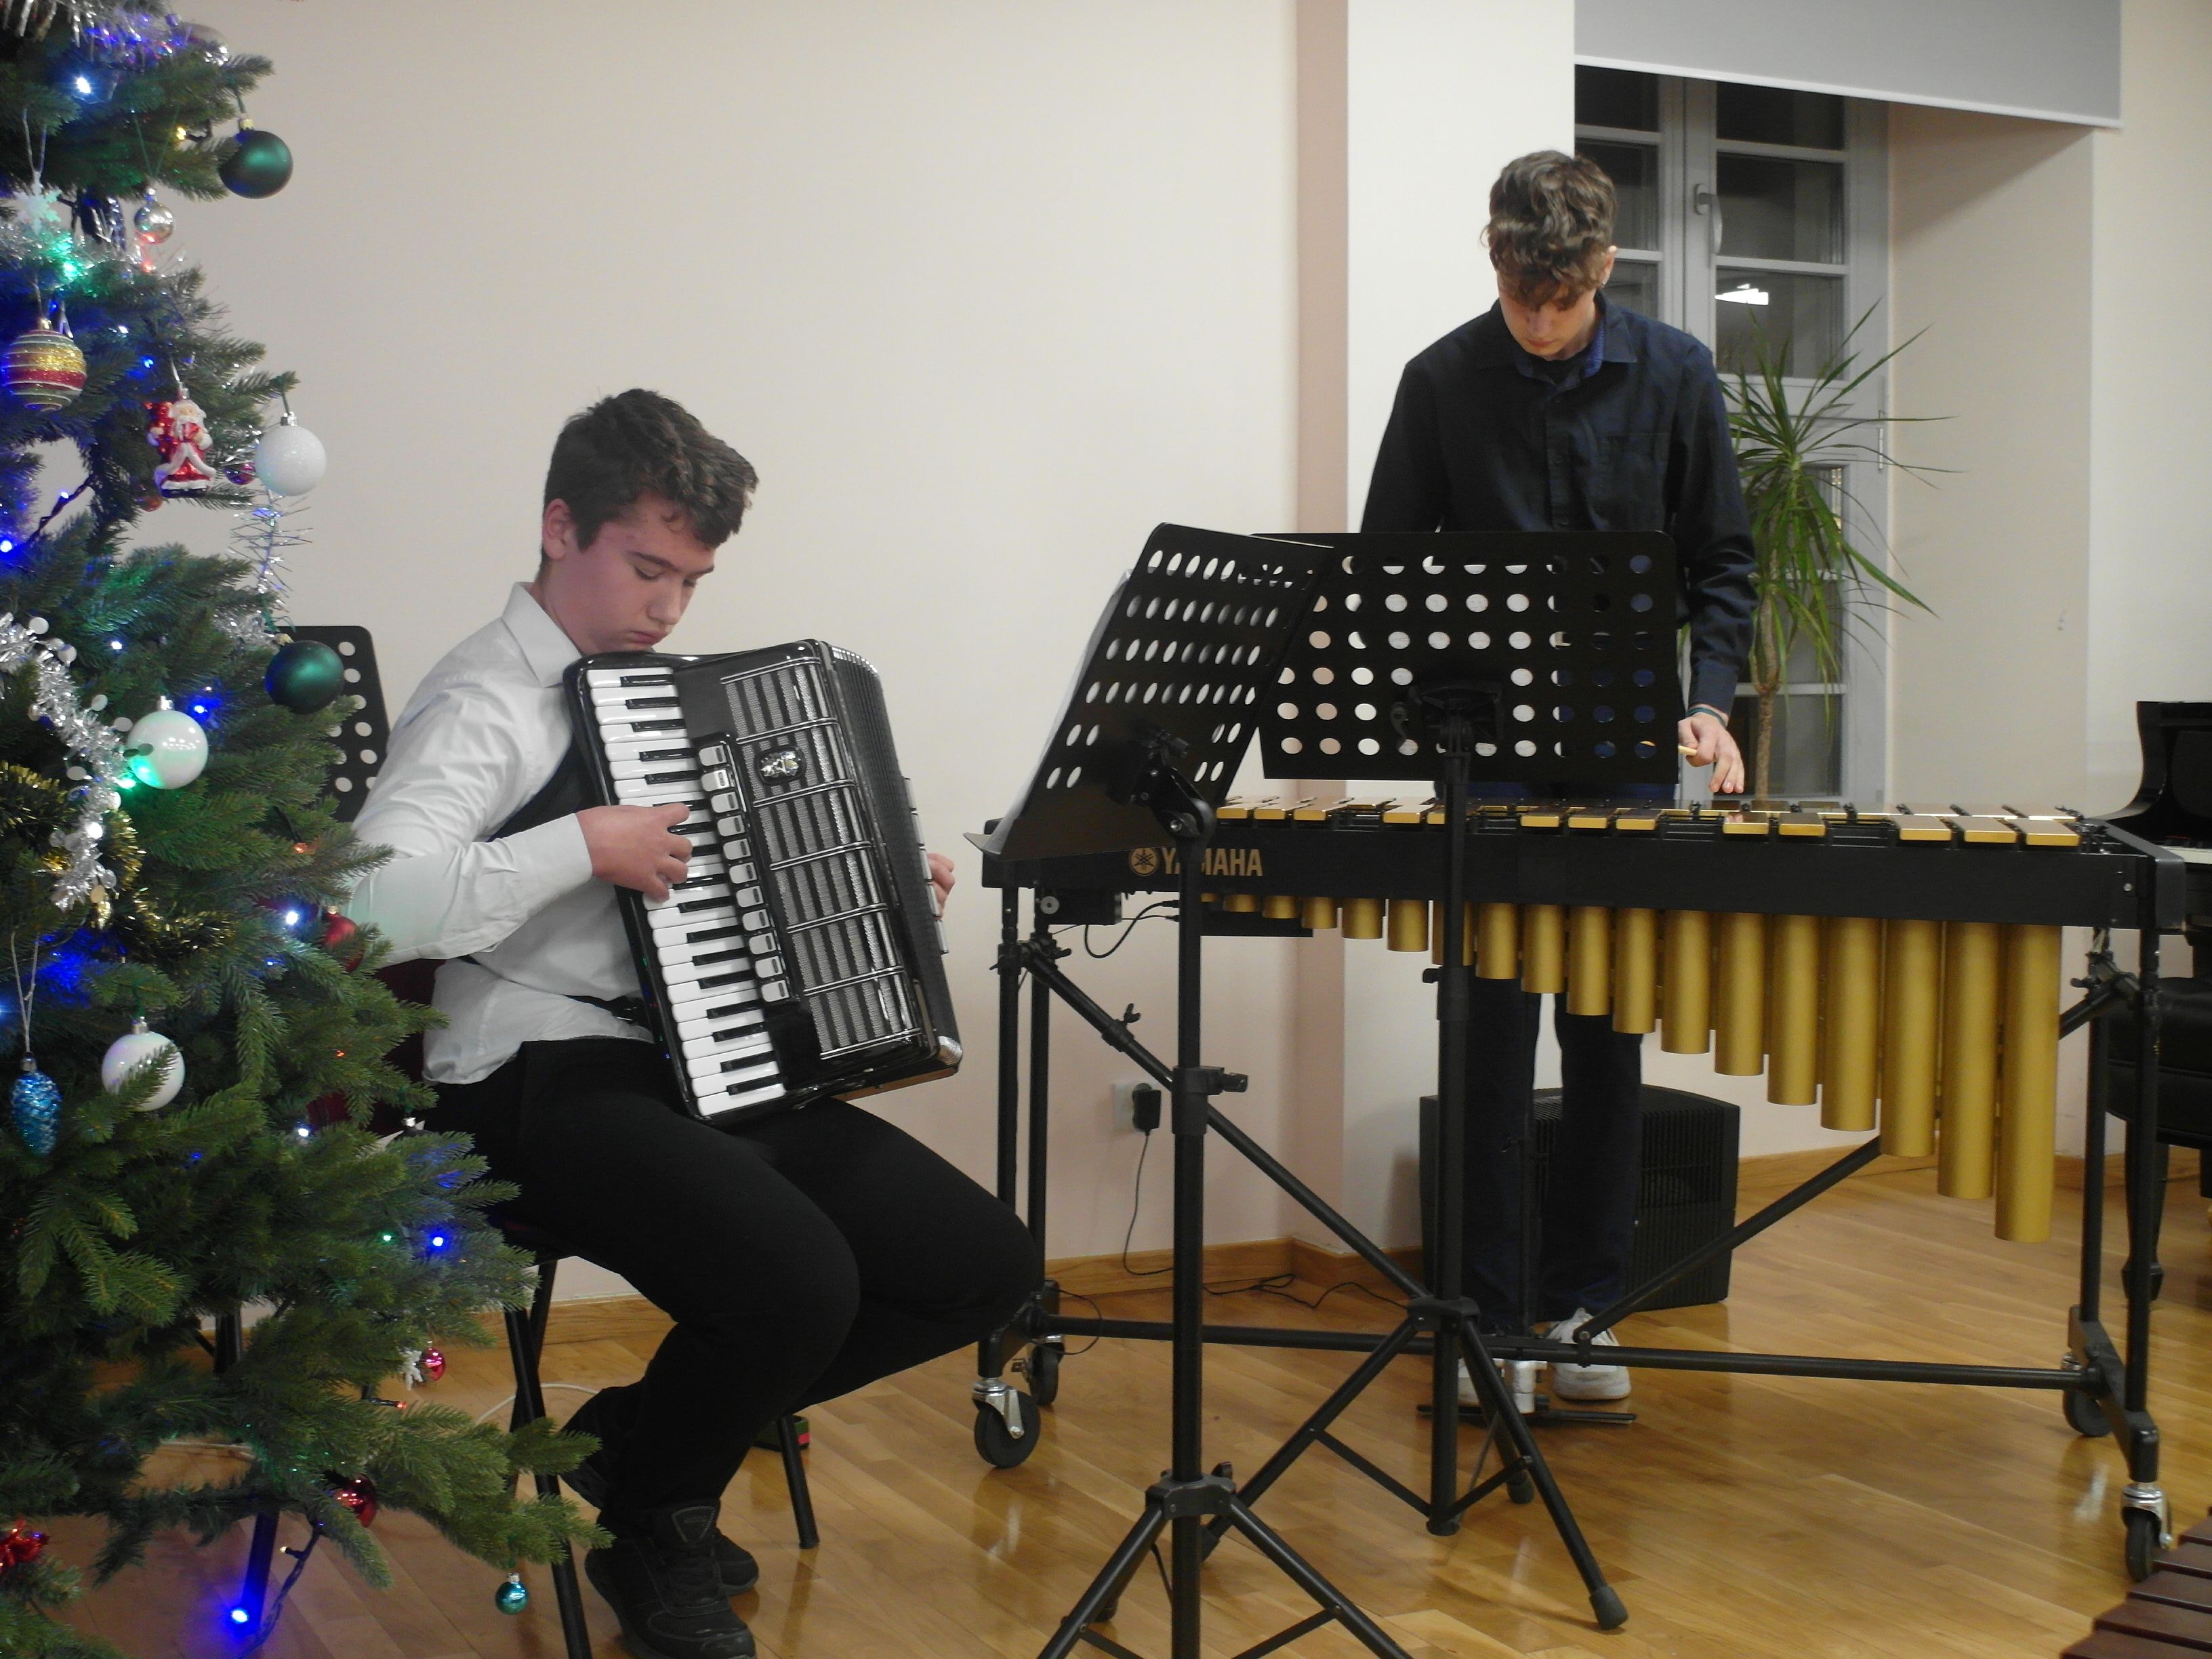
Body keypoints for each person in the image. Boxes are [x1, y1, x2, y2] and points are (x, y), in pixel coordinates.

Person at [347, 390, 1038, 1659]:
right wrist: (576, 845)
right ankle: (656, 1525)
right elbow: (371, 904)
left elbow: (730, 896)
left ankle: (633, 1443)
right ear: (561, 527)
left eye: (691, 582)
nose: (667, 610)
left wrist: (881, 878)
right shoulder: (485, 701)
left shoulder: (659, 696)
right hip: (519, 1070)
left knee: (982, 1267)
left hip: (686, 1053)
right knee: (797, 1282)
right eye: (645, 569)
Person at [1361, 151, 1755, 1409]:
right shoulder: (1440, 380)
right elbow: (1386, 568)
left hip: (1628, 757)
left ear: (1604, 269)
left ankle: (1590, 1314)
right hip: (1485, 759)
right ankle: (1484, 1322)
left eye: (1562, 302)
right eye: (1521, 300)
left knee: (1604, 1041)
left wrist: (1710, 704)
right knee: (1485, 1044)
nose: (1539, 325)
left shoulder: (1676, 372)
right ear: (1496, 265)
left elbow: (1723, 560)